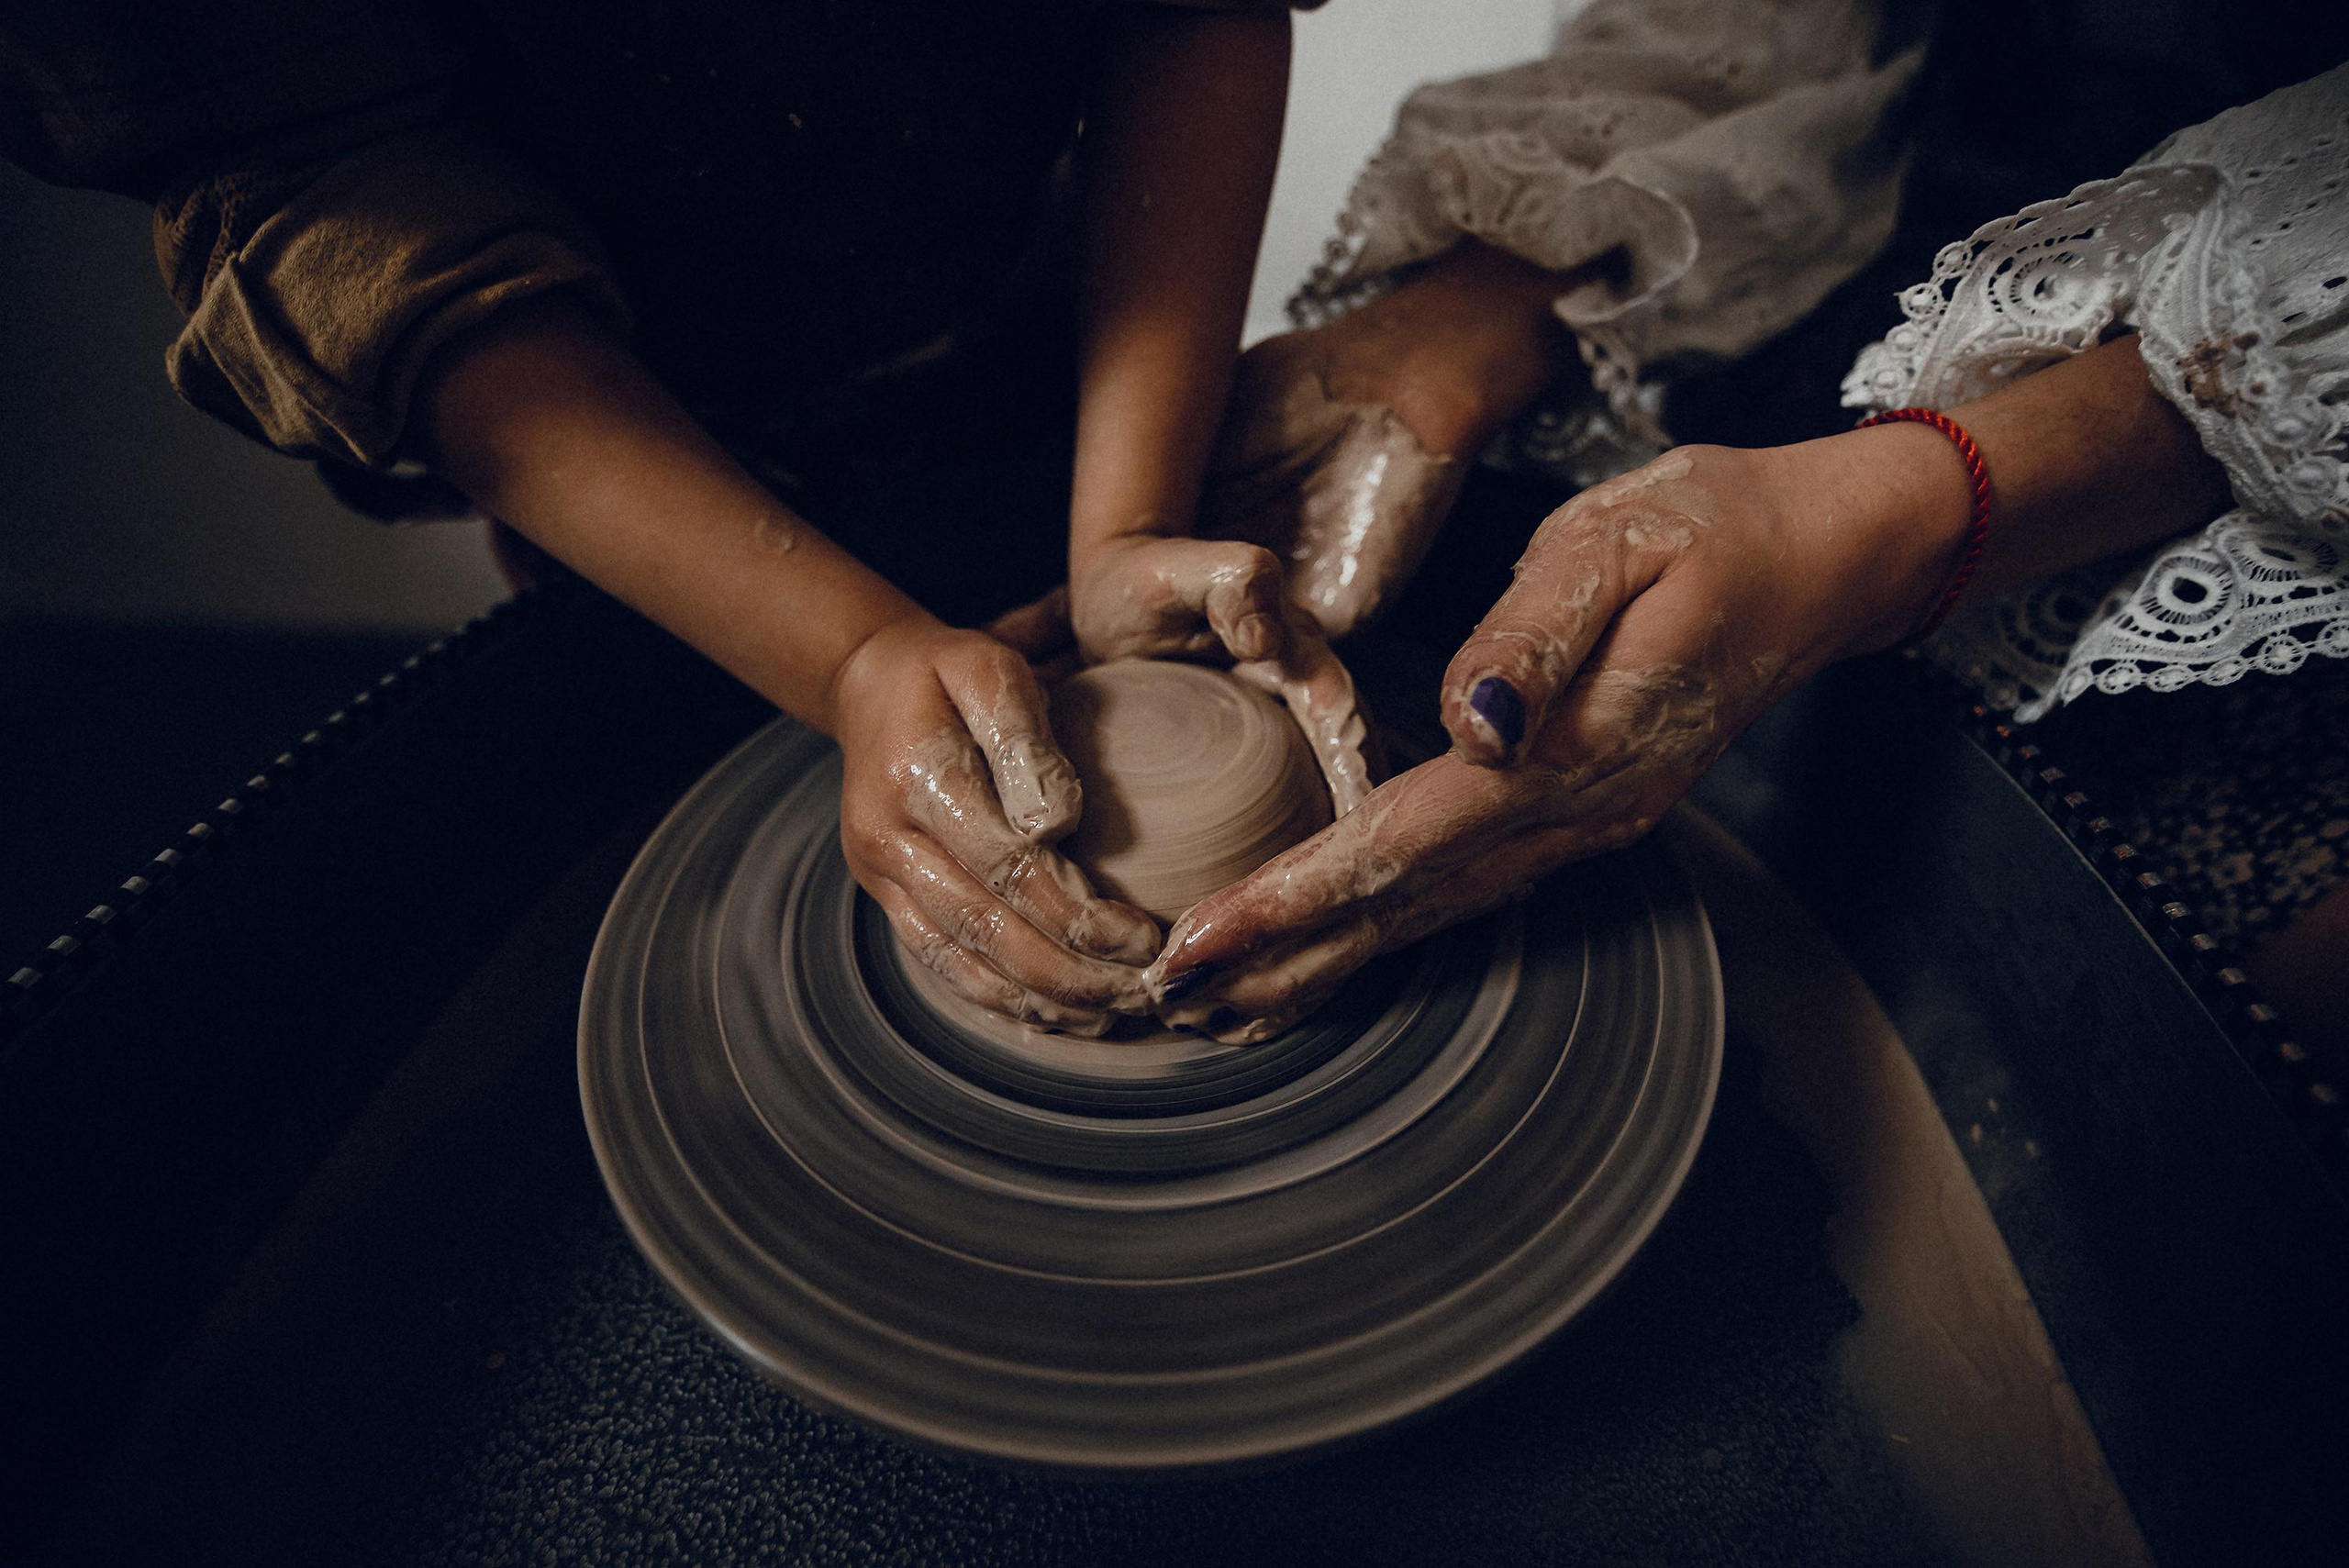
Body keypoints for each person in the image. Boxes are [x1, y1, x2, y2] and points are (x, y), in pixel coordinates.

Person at [1, 1, 1359, 1035]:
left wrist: (1122, 524)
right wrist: (845, 654)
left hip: (1046, 315)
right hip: (621, 407)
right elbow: (311, 180)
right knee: (641, 901)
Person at [1152, 58, 2349, 1046]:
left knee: (2257, 996)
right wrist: (1472, 320)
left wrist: (1889, 510)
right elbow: (1768, 30)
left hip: (2268, 378)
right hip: (1918, 184)